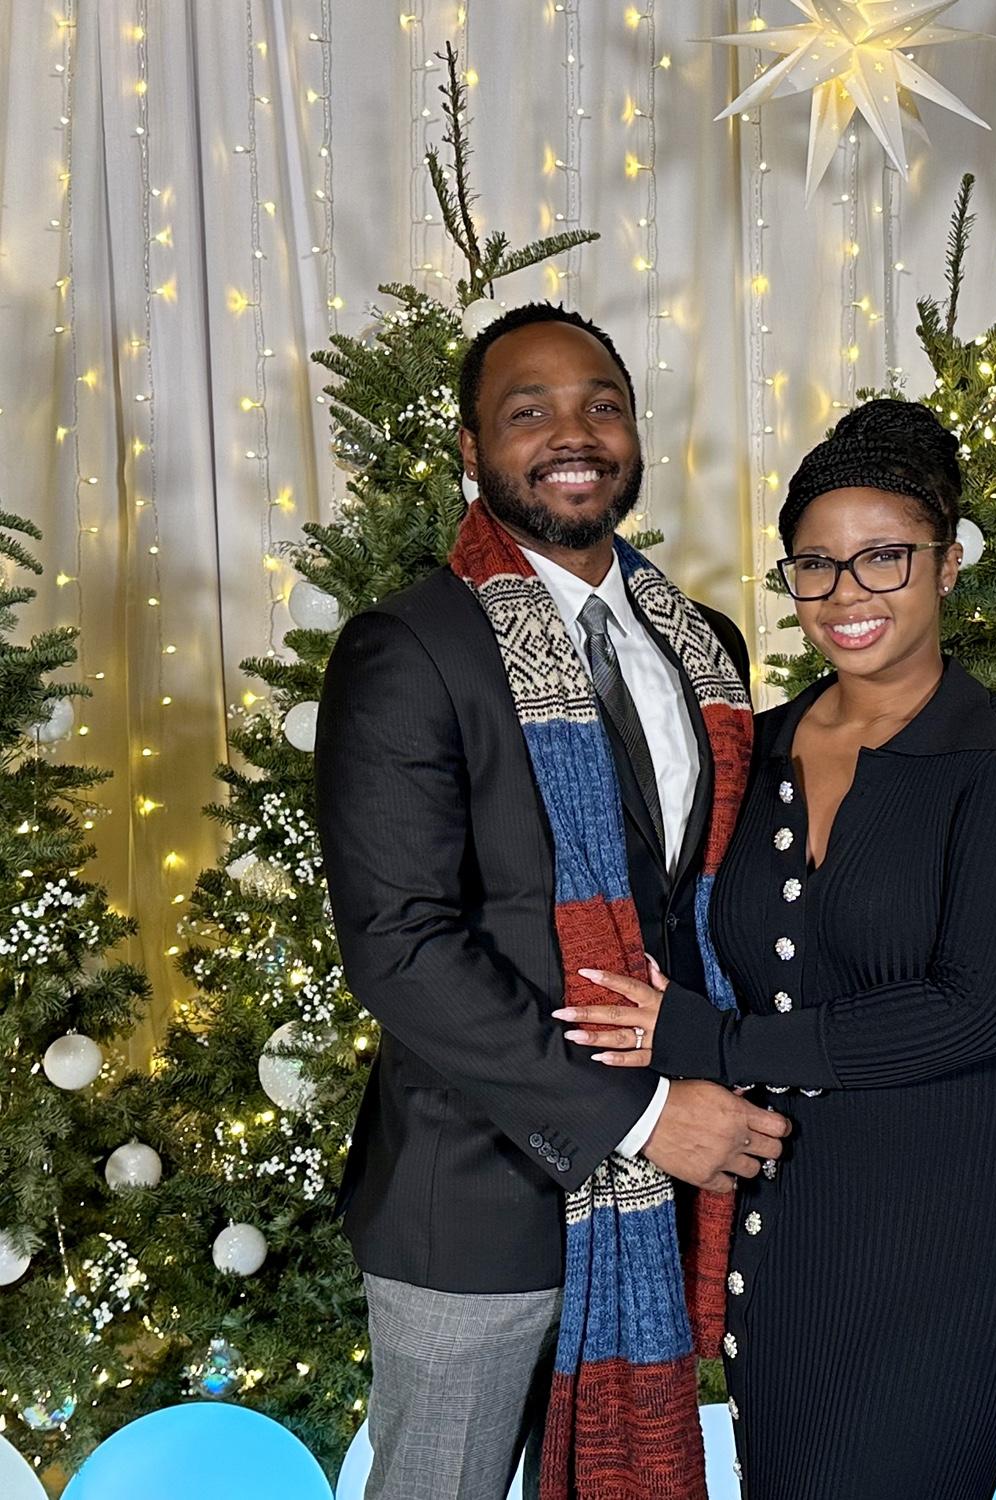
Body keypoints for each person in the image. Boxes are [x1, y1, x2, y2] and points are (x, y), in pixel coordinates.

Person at [557, 398, 996, 1498]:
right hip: (786, 1227)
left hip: (958, 1231)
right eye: (816, 566)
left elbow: (973, 1011)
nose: (848, 595)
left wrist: (711, 1040)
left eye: (884, 557)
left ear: (947, 564)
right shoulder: (753, 750)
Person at [315, 302, 790, 1500]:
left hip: (660, 1202)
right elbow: (401, 946)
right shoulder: (409, 648)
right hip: (474, 1205)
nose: (573, 434)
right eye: (528, 412)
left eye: (601, 407)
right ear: (472, 450)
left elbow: (728, 901)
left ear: (633, 438)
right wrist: (642, 1117)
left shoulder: (705, 646)